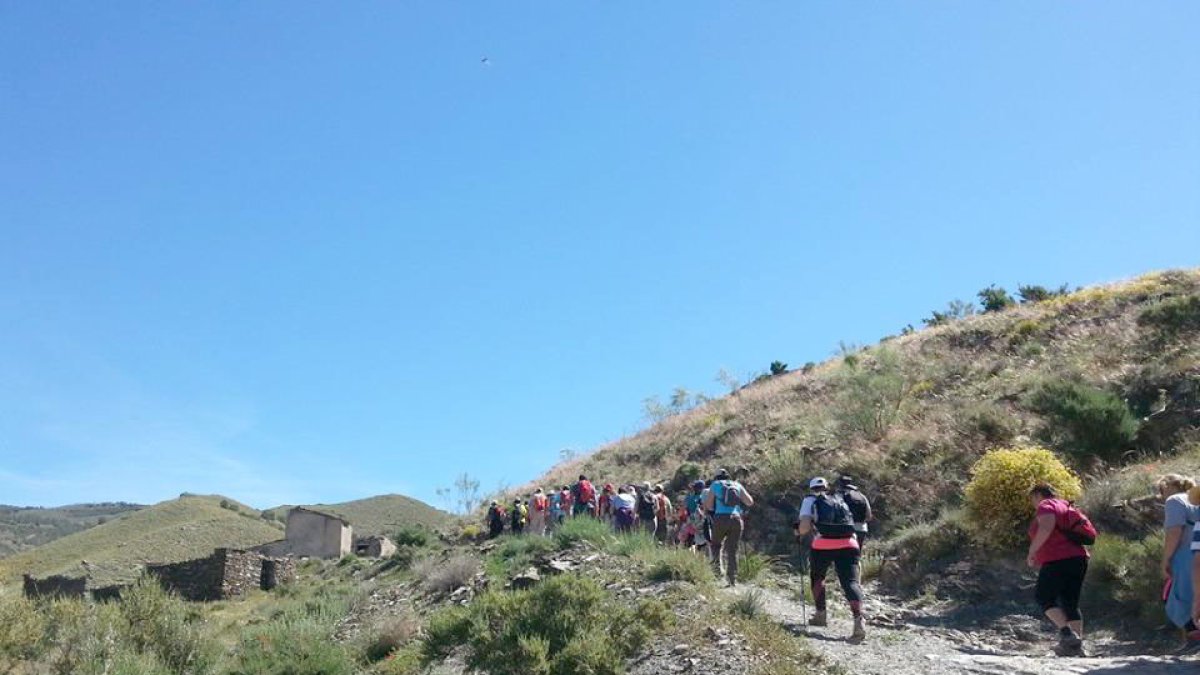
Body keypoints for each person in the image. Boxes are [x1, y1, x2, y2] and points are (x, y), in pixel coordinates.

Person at [795, 477, 865, 640]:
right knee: (850, 582)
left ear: (811, 488)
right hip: (849, 543)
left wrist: (797, 531)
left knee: (818, 577)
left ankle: (821, 614)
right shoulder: (841, 497)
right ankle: (859, 619)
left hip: (823, 544)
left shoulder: (810, 500)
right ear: (827, 487)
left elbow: (804, 527)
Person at [1027, 484, 1089, 657]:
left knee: (1043, 597)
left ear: (1038, 495)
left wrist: (1032, 551)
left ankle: (1067, 634)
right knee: (1070, 602)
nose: (1033, 504)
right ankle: (1076, 647)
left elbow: (1047, 526)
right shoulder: (1066, 505)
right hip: (1079, 558)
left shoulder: (1046, 505)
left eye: (1032, 499)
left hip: (1057, 559)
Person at [703, 469, 754, 587]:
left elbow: (709, 505)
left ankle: (717, 573)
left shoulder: (715, 485)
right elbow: (750, 502)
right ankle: (732, 579)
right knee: (732, 549)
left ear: (716, 477)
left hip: (720, 518)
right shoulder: (737, 485)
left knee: (716, 545)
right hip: (736, 519)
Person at [837, 475, 873, 550]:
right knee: (857, 553)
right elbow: (869, 516)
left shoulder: (839, 496)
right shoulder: (862, 496)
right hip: (861, 529)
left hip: (845, 529)